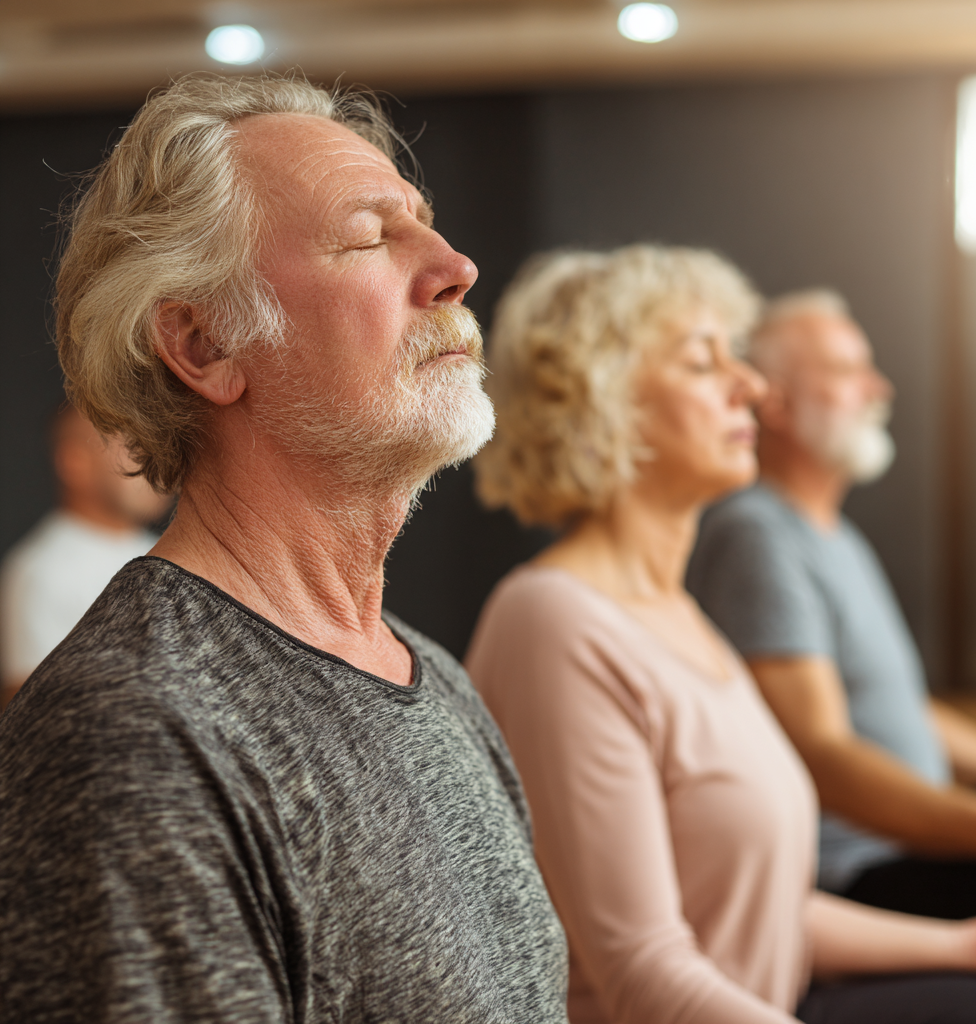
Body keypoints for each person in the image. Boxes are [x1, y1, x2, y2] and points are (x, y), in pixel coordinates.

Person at [0, 74, 567, 1023]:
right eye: (368, 237)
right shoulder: (140, 733)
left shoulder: (431, 676)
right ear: (205, 342)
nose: (456, 266)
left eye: (425, 223)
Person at [466, 245, 976, 1024]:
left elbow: (759, 908)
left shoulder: (686, 621)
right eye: (704, 364)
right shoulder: (552, 623)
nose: (752, 388)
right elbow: (644, 975)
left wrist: (970, 945)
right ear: (605, 403)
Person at [687, 289, 976, 919]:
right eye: (847, 369)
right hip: (858, 876)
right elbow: (821, 750)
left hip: (912, 848)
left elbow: (902, 712)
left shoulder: (835, 536)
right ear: (778, 403)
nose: (880, 388)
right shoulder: (757, 534)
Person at [0, 405, 171, 707]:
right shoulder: (41, 572)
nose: (156, 464)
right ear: (75, 461)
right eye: (135, 448)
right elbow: (33, 714)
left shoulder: (168, 553)